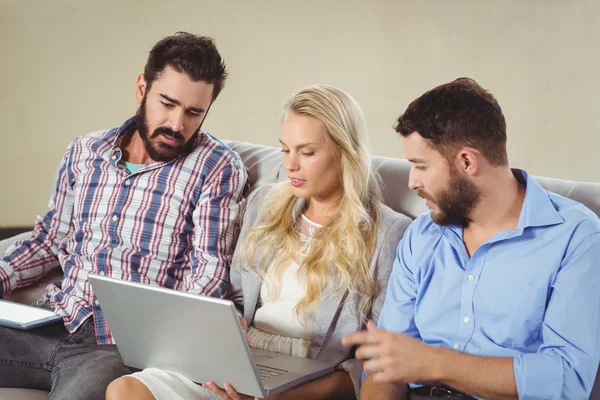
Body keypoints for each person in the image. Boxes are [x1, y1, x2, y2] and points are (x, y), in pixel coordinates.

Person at [105, 84, 412, 400]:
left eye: (307, 152)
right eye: (285, 149)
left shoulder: (388, 233)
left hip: (304, 381)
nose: (291, 165)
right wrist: (229, 324)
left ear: (345, 152)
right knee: (126, 389)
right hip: (240, 364)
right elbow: (236, 298)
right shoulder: (264, 205)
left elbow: (377, 364)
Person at [0, 32, 249, 400]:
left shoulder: (216, 167)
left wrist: (170, 347)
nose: (177, 124)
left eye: (194, 112)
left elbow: (208, 274)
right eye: (167, 103)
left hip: (115, 350)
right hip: (52, 320)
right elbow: (50, 240)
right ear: (141, 88)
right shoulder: (86, 151)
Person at [344, 77, 600, 400]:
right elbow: (384, 370)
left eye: (420, 166)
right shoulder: (421, 237)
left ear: (467, 162)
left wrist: (434, 363)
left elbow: (567, 380)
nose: (411, 182)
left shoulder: (575, 237)